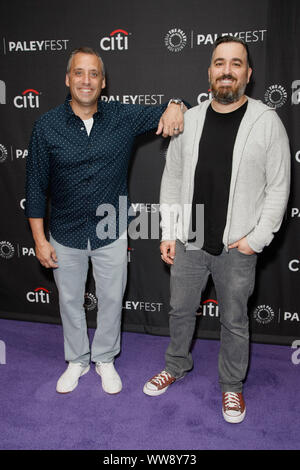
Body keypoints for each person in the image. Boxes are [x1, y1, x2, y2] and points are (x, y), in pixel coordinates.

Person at [143, 36, 290, 424]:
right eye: (220, 63)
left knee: (235, 321)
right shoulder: (189, 120)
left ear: (248, 74)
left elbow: (278, 187)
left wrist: (256, 240)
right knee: (179, 311)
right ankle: (175, 366)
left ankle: (232, 387)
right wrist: (168, 231)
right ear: (209, 72)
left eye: (236, 63)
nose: (227, 70)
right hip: (190, 239)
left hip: (237, 246)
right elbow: (172, 179)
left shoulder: (266, 121)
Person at [25, 46, 186, 395]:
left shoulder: (122, 117)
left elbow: (171, 109)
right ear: (68, 79)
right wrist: (39, 240)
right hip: (64, 232)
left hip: (109, 229)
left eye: (93, 74)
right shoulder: (46, 127)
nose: (86, 80)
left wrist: (176, 102)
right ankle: (78, 360)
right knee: (69, 300)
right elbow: (35, 187)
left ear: (103, 82)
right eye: (79, 73)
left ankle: (105, 359)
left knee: (112, 298)